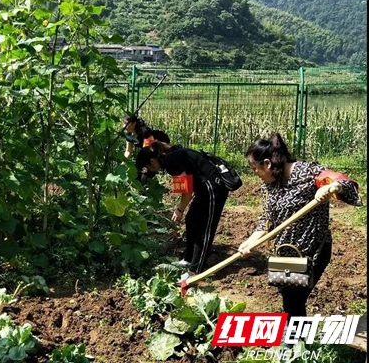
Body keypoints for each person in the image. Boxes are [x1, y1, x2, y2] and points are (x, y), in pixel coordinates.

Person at [238, 133, 361, 321]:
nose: (254, 173)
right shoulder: (270, 184)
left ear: (267, 164)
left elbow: (345, 184)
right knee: (290, 300)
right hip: (285, 255)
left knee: (294, 300)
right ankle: (295, 340)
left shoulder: (306, 172)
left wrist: (328, 187)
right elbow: (266, 219)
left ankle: (295, 342)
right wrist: (250, 241)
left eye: (254, 168)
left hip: (312, 253)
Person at [136, 139, 230, 274]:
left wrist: (179, 209)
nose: (152, 172)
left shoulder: (170, 162)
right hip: (203, 189)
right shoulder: (170, 156)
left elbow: (187, 191)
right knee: (191, 220)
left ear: (152, 162)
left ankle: (195, 271)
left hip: (214, 189)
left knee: (204, 230)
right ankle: (189, 258)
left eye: (149, 168)